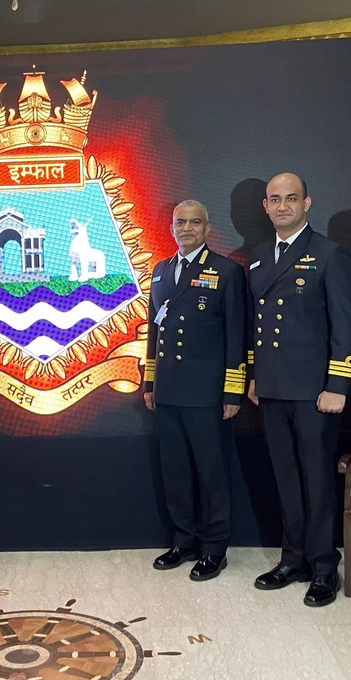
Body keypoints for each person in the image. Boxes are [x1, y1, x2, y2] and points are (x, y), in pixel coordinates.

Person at [247, 173, 351, 607]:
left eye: (291, 199)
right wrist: (255, 375)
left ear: (307, 203)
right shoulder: (258, 257)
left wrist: (338, 384)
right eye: (275, 199)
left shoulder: (329, 254)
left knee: (316, 478)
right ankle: (292, 558)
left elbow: (345, 327)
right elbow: (257, 325)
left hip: (315, 391)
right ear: (265, 206)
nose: (282, 206)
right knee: (286, 477)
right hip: (272, 388)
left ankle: (324, 567)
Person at [143, 200, 246, 581]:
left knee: (212, 472)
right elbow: (154, 332)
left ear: (207, 228)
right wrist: (151, 383)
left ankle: (214, 548)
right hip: (169, 390)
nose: (186, 228)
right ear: (171, 228)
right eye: (180, 222)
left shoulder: (226, 271)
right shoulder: (160, 271)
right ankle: (183, 540)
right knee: (176, 471)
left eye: (194, 222)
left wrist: (232, 392)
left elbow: (237, 334)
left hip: (206, 394)